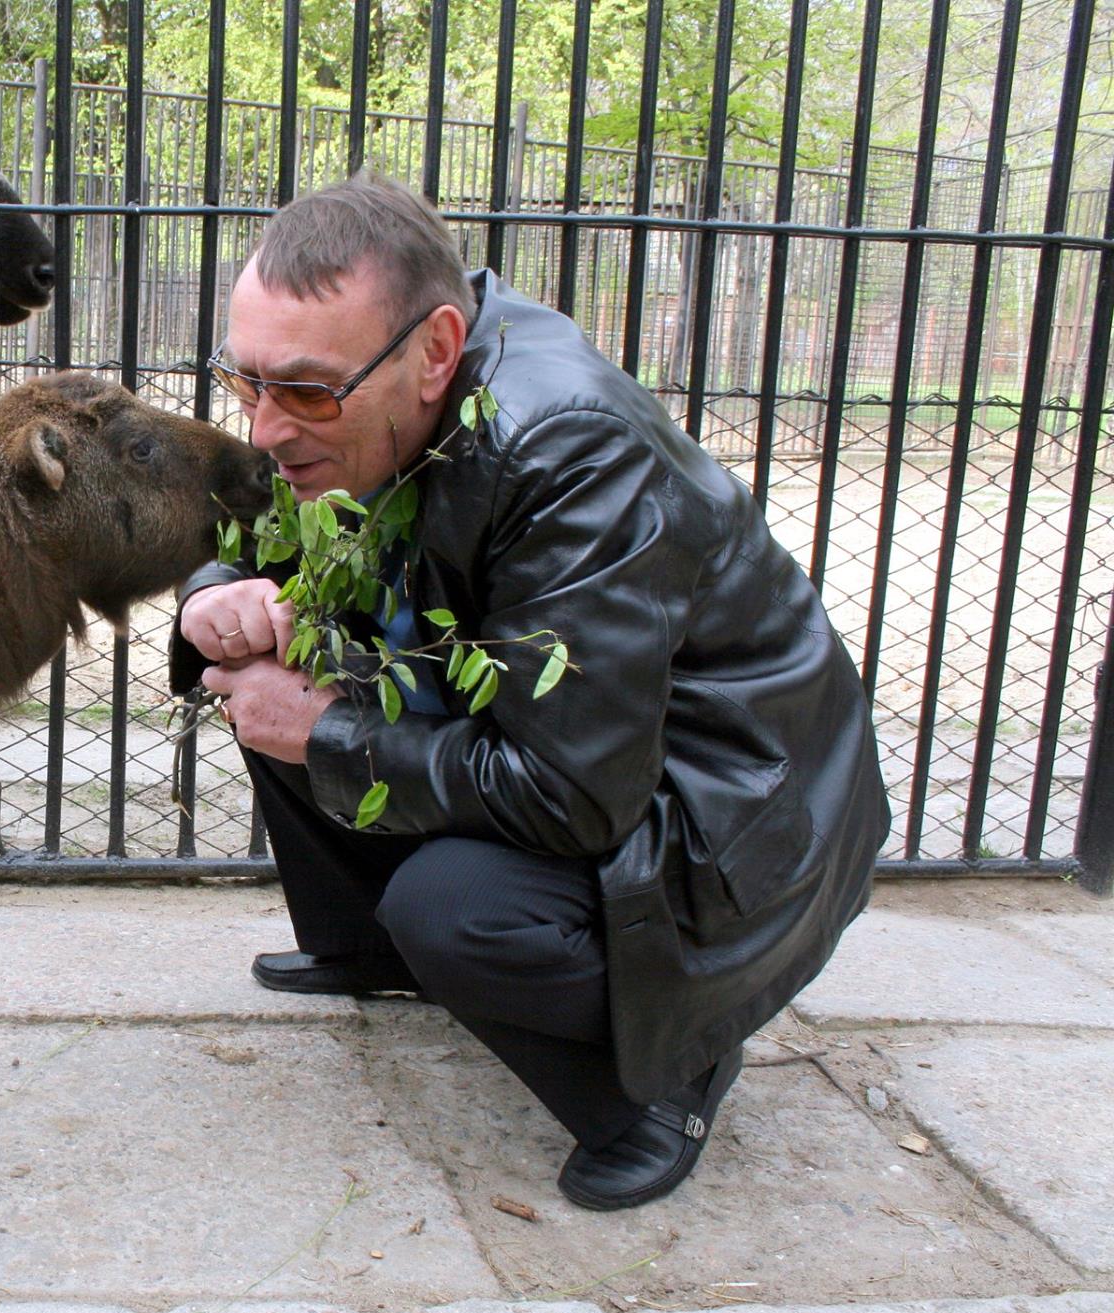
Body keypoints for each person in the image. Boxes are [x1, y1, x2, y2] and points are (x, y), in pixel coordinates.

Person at [173, 170, 889, 1211]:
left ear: (432, 350)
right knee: (278, 685)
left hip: (737, 820)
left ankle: (660, 1076)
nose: (267, 428)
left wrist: (327, 734)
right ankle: (368, 947)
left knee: (455, 907)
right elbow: (254, 538)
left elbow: (573, 794)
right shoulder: (369, 392)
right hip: (598, 747)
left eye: (303, 392)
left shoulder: (565, 449)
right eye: (244, 382)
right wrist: (215, 598)